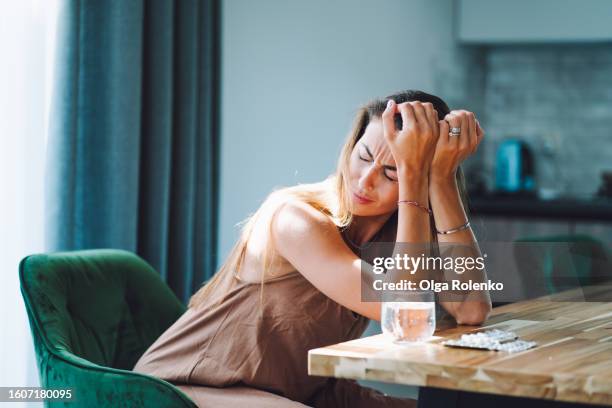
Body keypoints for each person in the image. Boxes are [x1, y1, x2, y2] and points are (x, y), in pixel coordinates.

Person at [132, 89, 492, 407]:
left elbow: (471, 308)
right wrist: (411, 174)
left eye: (392, 172)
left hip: (298, 390)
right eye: (364, 156)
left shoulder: (397, 238)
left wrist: (442, 178)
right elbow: (408, 319)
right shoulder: (294, 218)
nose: (365, 181)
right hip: (182, 390)